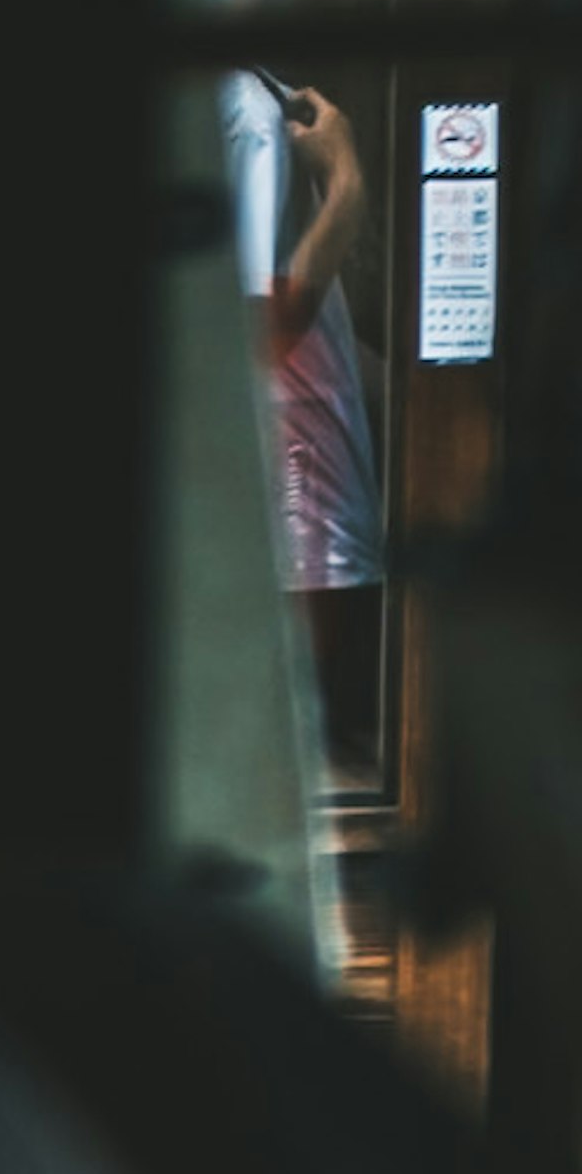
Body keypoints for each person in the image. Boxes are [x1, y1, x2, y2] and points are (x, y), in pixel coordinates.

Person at [227, 66, 384, 784]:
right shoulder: (244, 110)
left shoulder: (258, 100)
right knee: (294, 754)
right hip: (287, 476)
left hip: (293, 471)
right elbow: (269, 328)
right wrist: (347, 190)